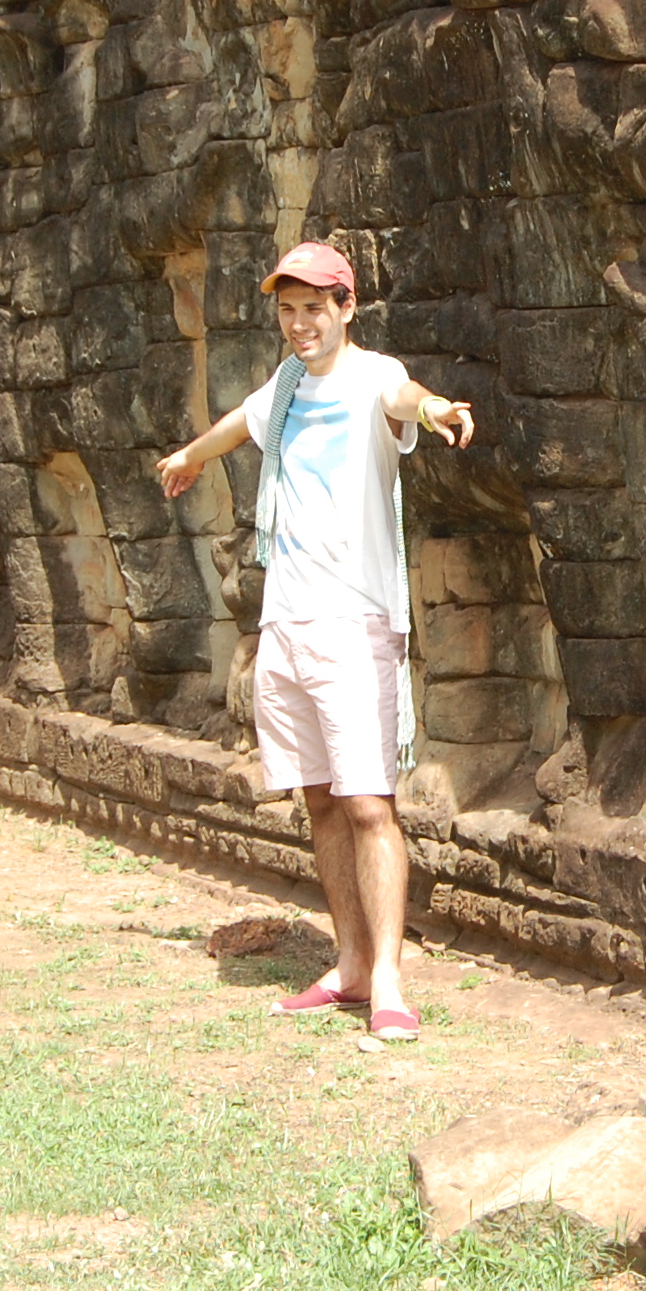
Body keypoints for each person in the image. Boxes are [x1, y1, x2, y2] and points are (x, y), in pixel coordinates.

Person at [157, 241, 476, 1041]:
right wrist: (191, 457)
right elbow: (243, 421)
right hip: (288, 623)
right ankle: (351, 964)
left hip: (353, 619)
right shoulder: (289, 384)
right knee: (322, 801)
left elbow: (407, 397)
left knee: (370, 803)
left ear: (347, 307)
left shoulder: (371, 375)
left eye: (314, 308)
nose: (300, 324)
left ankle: (392, 982)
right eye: (287, 310)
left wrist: (439, 411)